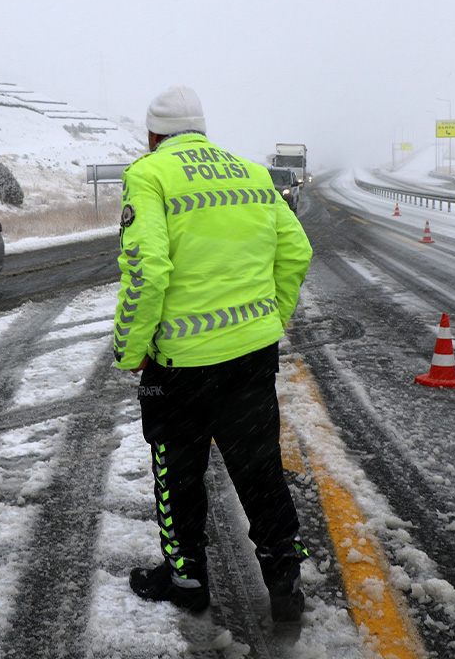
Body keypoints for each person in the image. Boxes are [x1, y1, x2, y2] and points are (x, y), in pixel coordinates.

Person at [112, 85, 314, 621]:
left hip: (179, 367)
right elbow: (297, 250)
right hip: (250, 356)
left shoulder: (149, 174)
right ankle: (284, 577)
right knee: (260, 470)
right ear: (202, 129)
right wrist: (271, 319)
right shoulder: (250, 173)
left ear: (153, 134)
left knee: (177, 473)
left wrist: (130, 348)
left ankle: (187, 581)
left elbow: (148, 269)